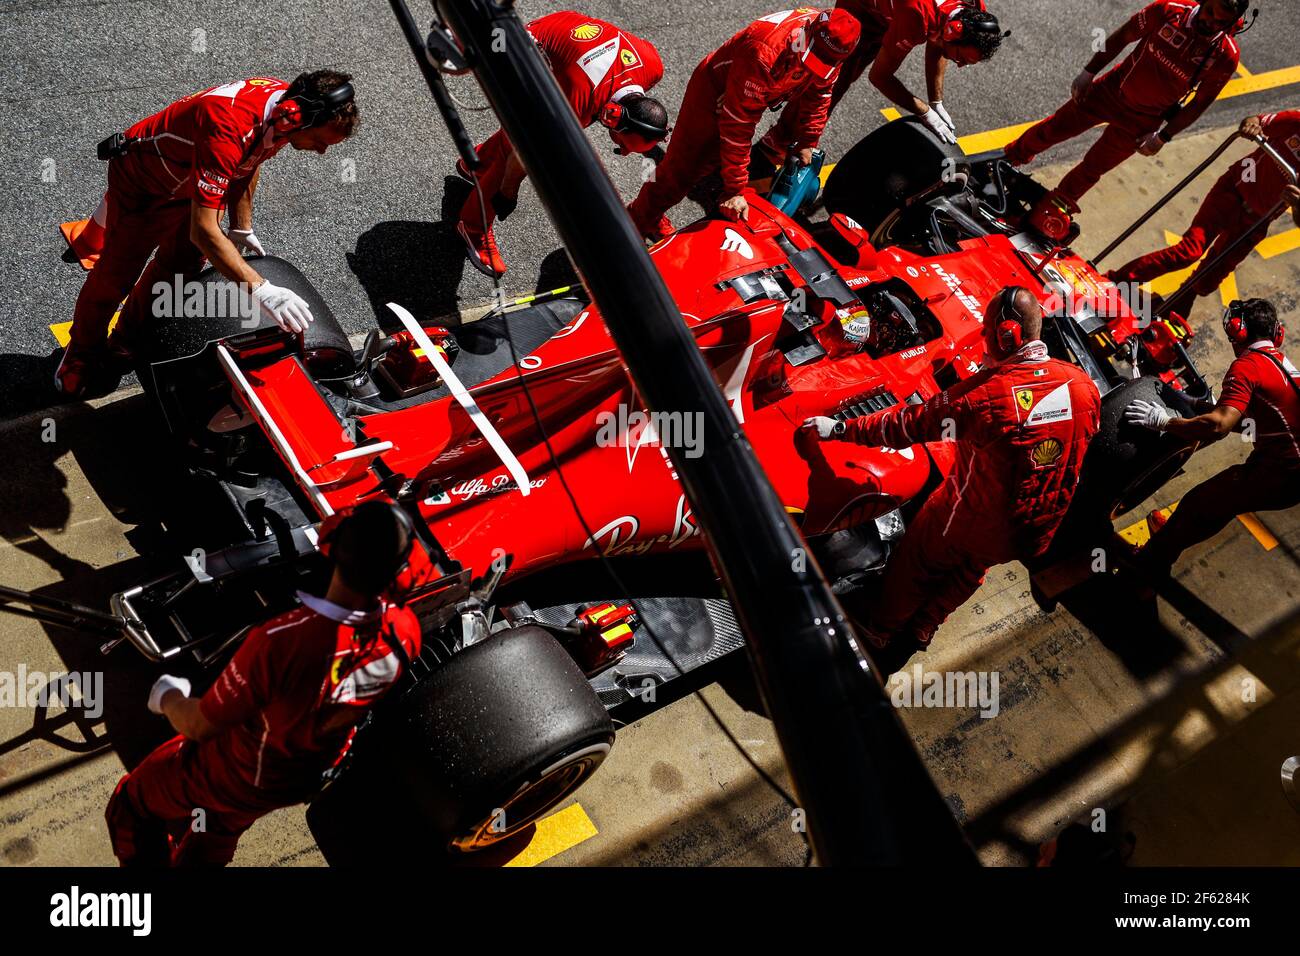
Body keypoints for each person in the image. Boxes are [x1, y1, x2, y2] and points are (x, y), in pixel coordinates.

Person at [105, 501, 422, 867]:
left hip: (240, 772)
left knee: (130, 807)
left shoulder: (282, 642)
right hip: (302, 775)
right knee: (220, 825)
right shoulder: (406, 631)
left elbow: (198, 725)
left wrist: (168, 696)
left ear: (332, 546)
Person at [802, 287, 1101, 648]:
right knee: (971, 569)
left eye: (988, 331)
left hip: (971, 520)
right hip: (1032, 530)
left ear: (1008, 335)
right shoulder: (1084, 385)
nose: (985, 339)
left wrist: (839, 428)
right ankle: (924, 626)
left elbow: (908, 425)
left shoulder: (988, 395)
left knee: (918, 559)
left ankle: (878, 631)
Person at [57, 71, 359, 398]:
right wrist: (263, 290)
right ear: (293, 118)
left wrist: (241, 226)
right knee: (116, 276)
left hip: (193, 179)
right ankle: (80, 354)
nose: (321, 151)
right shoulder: (229, 127)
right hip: (146, 185)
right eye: (319, 141)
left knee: (181, 268)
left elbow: (250, 160)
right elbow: (204, 230)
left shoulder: (282, 111)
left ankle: (125, 341)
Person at [1002, 0, 1247, 239]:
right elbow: (1122, 37)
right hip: (1109, 91)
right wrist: (1089, 72)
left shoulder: (1226, 56)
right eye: (1210, 12)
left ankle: (1050, 212)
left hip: (1143, 122)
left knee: (1092, 169)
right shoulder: (1168, 10)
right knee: (1052, 129)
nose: (1211, 23)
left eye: (1221, 22)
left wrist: (1163, 137)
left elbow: (1200, 103)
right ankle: (1007, 160)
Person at [455, 10, 670, 277]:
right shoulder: (575, 103)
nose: (624, 153)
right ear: (611, 117)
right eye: (623, 144)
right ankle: (473, 226)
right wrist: (508, 193)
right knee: (515, 146)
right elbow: (524, 154)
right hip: (513, 45)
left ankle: (476, 163)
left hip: (569, 38)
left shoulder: (652, 66)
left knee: (532, 133)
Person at [626, 8, 860, 242]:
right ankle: (635, 222)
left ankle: (651, 216)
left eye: (823, 63)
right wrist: (735, 190)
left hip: (748, 87)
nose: (814, 69)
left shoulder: (830, 45)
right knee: (681, 170)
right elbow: (738, 127)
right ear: (808, 34)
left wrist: (808, 140)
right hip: (713, 91)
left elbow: (820, 93)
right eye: (813, 59)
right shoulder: (766, 53)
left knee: (710, 162)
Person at [1126, 298, 1300, 574]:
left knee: (1199, 503)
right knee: (1219, 503)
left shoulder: (1248, 366)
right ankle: (1171, 539)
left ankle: (1146, 567)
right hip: (1286, 473)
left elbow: (1219, 426)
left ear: (1238, 331)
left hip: (1280, 474)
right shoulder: (1278, 362)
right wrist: (1193, 404)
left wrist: (1165, 421)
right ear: (1276, 332)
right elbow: (1247, 422)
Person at [761, 0, 1004, 153]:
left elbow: (939, 45)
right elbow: (880, 77)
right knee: (836, 77)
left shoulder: (971, 7)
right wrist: (923, 111)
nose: (960, 65)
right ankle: (782, 138)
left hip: (895, 13)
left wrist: (936, 101)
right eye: (962, 58)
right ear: (952, 33)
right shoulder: (916, 17)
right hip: (863, 11)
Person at [1107, 111, 1300, 302]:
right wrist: (1252, 125)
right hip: (1232, 192)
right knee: (1189, 251)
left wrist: (1297, 205)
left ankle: (1169, 307)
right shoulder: (1295, 120)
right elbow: (1254, 120)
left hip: (1256, 221)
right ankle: (1117, 281)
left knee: (1206, 283)